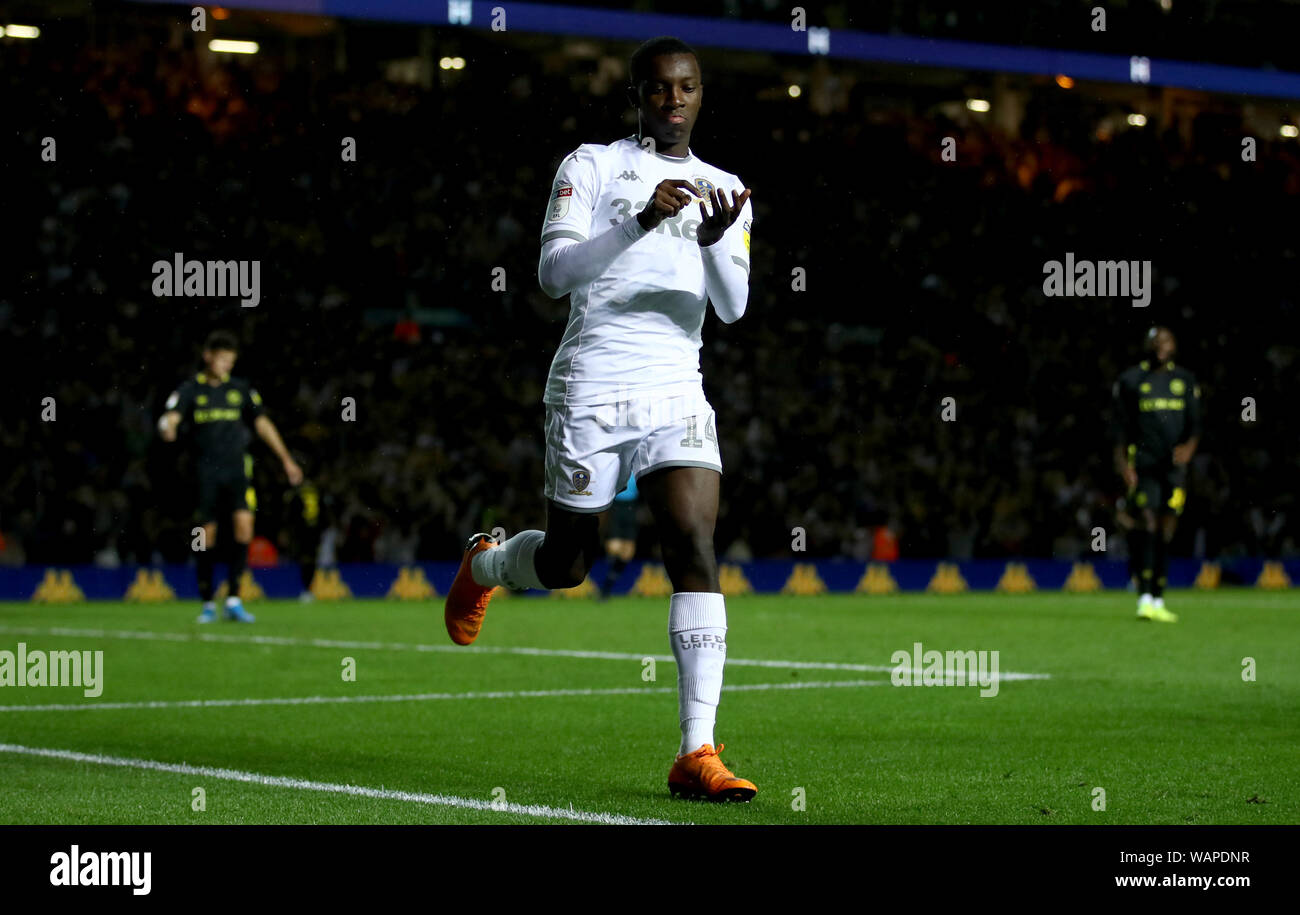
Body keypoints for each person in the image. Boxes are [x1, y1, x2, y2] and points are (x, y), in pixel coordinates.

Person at [443, 36, 757, 801]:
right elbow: (554, 275)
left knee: (691, 538)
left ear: (701, 94)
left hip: (675, 385)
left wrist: (715, 245)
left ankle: (697, 749)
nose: (673, 100)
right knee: (567, 563)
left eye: (686, 88)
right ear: (637, 97)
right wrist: (641, 224)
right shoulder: (590, 166)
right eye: (658, 89)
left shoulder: (726, 187)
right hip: (591, 383)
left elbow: (735, 306)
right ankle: (486, 562)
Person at [159, 331, 303, 622]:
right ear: (208, 356)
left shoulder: (240, 389)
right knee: (205, 535)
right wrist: (168, 427)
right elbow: (171, 416)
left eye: (231, 361)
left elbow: (262, 424)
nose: (227, 365)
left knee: (244, 526)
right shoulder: (190, 390)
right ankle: (208, 601)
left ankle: (234, 598)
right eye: (222, 359)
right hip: (204, 474)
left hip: (237, 471)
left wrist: (286, 459)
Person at [1111, 326, 1201, 622]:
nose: (1162, 346)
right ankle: (1144, 596)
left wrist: (1189, 448)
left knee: (1166, 530)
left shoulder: (1184, 380)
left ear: (1174, 346)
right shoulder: (1131, 380)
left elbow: (1195, 424)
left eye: (1167, 341)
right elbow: (1120, 429)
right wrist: (1123, 464)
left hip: (1174, 467)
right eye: (1157, 341)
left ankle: (1158, 596)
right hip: (1144, 464)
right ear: (1147, 345)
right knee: (1147, 524)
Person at [599, 474, 640, 599]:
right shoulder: (619, 463)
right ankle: (608, 577)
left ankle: (608, 584)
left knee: (628, 553)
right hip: (616, 506)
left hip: (632, 508)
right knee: (613, 547)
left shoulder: (638, 463)